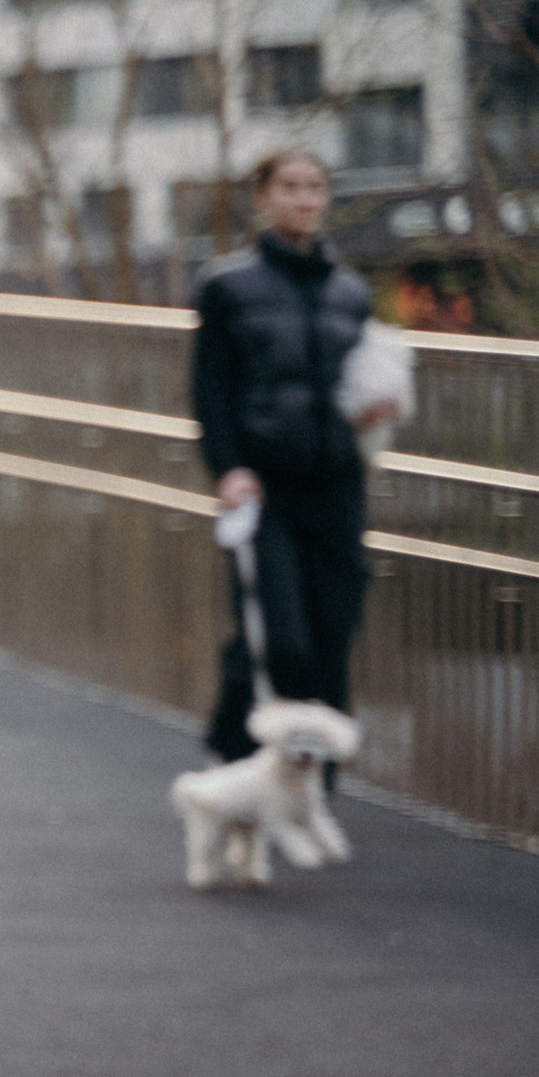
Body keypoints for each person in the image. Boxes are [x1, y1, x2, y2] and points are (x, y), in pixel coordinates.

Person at [192, 148, 397, 764]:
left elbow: (356, 381)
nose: (305, 199)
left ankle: (314, 788)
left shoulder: (350, 291)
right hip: (265, 489)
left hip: (337, 482)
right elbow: (211, 391)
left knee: (333, 635)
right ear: (263, 197)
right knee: (283, 642)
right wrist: (228, 468)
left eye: (315, 188)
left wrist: (372, 413)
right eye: (290, 187)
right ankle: (236, 751)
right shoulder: (227, 287)